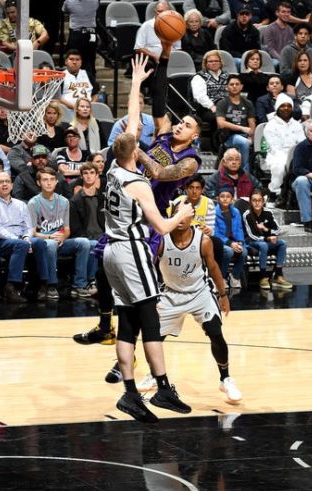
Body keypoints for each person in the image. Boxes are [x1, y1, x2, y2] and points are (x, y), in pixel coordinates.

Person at [104, 54, 194, 424]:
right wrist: (182, 216)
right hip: (133, 248)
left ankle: (128, 393)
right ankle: (162, 387)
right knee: (149, 320)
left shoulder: (113, 168)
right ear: (133, 153)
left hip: (111, 251)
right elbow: (161, 227)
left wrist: (137, 83)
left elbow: (130, 122)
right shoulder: (139, 183)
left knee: (126, 320)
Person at [146, 200, 241, 403]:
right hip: (170, 294)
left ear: (192, 216)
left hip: (200, 293)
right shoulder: (161, 239)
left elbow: (214, 268)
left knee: (215, 332)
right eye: (176, 212)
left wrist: (223, 295)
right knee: (154, 338)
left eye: (184, 213)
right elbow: (149, 268)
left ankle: (225, 378)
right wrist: (151, 296)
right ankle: (154, 375)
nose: (180, 218)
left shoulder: (203, 241)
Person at [28, 167, 93, 298]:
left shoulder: (64, 201)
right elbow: (32, 232)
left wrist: (62, 238)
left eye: (52, 179)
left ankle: (79, 285)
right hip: (44, 242)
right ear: (39, 183)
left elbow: (67, 229)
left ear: (57, 181)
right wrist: (50, 236)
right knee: (51, 244)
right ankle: (51, 285)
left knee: (84, 243)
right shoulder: (33, 203)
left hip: (61, 241)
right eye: (45, 180)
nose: (49, 183)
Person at [0, 172, 45, 301]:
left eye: (7, 181)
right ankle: (11, 286)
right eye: (1, 182)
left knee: (40, 243)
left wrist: (27, 238)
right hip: (1, 242)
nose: (5, 184)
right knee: (21, 245)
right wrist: (19, 240)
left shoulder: (21, 204)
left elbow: (29, 227)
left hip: (21, 240)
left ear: (12, 185)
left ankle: (40, 285)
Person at [243, 190, 293, 290]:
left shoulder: (268, 212)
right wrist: (268, 237)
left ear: (263, 201)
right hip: (252, 243)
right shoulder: (247, 215)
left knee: (282, 243)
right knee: (263, 245)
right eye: (254, 200)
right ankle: (263, 277)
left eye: (259, 200)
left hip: (266, 241)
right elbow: (251, 235)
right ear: (250, 201)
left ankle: (278, 276)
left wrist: (266, 229)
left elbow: (278, 229)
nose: (257, 203)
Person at [263, 94, 305, 200]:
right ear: (277, 108)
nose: (286, 108)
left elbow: (302, 144)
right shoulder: (270, 126)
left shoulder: (297, 125)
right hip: (276, 155)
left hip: (296, 154)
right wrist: (288, 160)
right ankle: (274, 192)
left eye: (289, 106)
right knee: (280, 165)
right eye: (282, 106)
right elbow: (274, 148)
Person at [216, 75, 256, 175]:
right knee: (243, 142)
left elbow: (252, 123)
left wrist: (251, 136)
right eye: (231, 84)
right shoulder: (222, 103)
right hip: (228, 136)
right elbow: (221, 123)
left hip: (245, 136)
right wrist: (242, 128)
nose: (234, 86)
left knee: (248, 142)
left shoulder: (248, 103)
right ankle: (245, 175)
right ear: (227, 87)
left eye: (237, 84)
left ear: (241, 87)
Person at [191, 50, 230, 143]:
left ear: (220, 62)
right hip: (208, 108)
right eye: (210, 61)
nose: (214, 63)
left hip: (227, 105)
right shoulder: (199, 76)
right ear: (206, 63)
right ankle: (218, 144)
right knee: (218, 117)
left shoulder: (227, 75)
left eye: (216, 61)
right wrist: (212, 107)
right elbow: (200, 96)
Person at [214, 186, 246, 288]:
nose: (225, 199)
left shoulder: (236, 212)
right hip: (221, 242)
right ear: (217, 198)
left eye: (228, 196)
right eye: (222, 196)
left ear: (232, 199)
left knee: (244, 251)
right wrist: (230, 243)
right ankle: (221, 277)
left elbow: (239, 229)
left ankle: (235, 277)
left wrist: (240, 241)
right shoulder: (214, 212)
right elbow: (215, 233)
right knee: (228, 251)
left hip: (234, 241)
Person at [62, 0, 99, 85]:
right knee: (90, 62)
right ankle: (91, 87)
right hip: (91, 34)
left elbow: (64, 9)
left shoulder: (69, 2)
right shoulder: (95, 1)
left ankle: (73, 86)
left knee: (73, 61)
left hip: (76, 34)